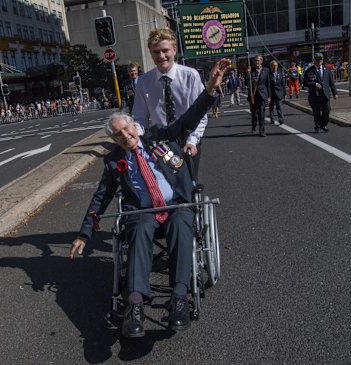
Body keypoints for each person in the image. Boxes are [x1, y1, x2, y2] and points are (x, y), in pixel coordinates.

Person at [70, 58, 231, 338]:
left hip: (177, 204)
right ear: (114, 139)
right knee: (139, 230)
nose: (124, 135)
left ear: (135, 126)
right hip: (143, 212)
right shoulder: (114, 162)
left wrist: (209, 91)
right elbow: (100, 198)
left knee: (182, 225)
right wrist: (84, 234)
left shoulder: (159, 136)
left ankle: (180, 299)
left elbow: (189, 119)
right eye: (118, 134)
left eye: (127, 129)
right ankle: (134, 305)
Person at [132, 28, 206, 158]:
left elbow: (200, 114)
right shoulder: (144, 82)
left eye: (165, 50)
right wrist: (139, 143)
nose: (161, 56)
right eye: (156, 52)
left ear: (174, 50)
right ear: (150, 53)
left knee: (188, 179)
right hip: (159, 145)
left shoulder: (190, 76)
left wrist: (192, 141)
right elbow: (139, 117)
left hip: (187, 142)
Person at [303, 52, 338, 133]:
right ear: (314, 60)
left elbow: (331, 82)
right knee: (316, 112)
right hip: (315, 95)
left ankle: (323, 124)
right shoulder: (309, 70)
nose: (319, 61)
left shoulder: (327, 69)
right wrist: (314, 84)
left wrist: (335, 93)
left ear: (322, 60)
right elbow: (305, 83)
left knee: (327, 110)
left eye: (320, 59)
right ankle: (317, 126)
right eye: (317, 59)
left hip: (325, 94)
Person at [245, 54, 271, 137]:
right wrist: (247, 74)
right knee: (254, 113)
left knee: (261, 113)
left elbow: (268, 84)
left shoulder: (266, 70)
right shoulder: (251, 71)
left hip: (262, 94)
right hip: (253, 95)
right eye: (255, 60)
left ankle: (262, 130)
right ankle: (254, 126)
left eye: (258, 60)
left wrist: (269, 96)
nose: (257, 62)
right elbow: (246, 83)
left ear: (261, 61)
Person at [268, 60, 286, 126]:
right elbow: (268, 85)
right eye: (273, 66)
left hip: (279, 93)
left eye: (276, 65)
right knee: (271, 107)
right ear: (271, 66)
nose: (275, 67)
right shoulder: (268, 74)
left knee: (279, 107)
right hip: (271, 93)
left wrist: (284, 93)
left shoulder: (280, 73)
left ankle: (281, 119)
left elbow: (283, 84)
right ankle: (272, 118)